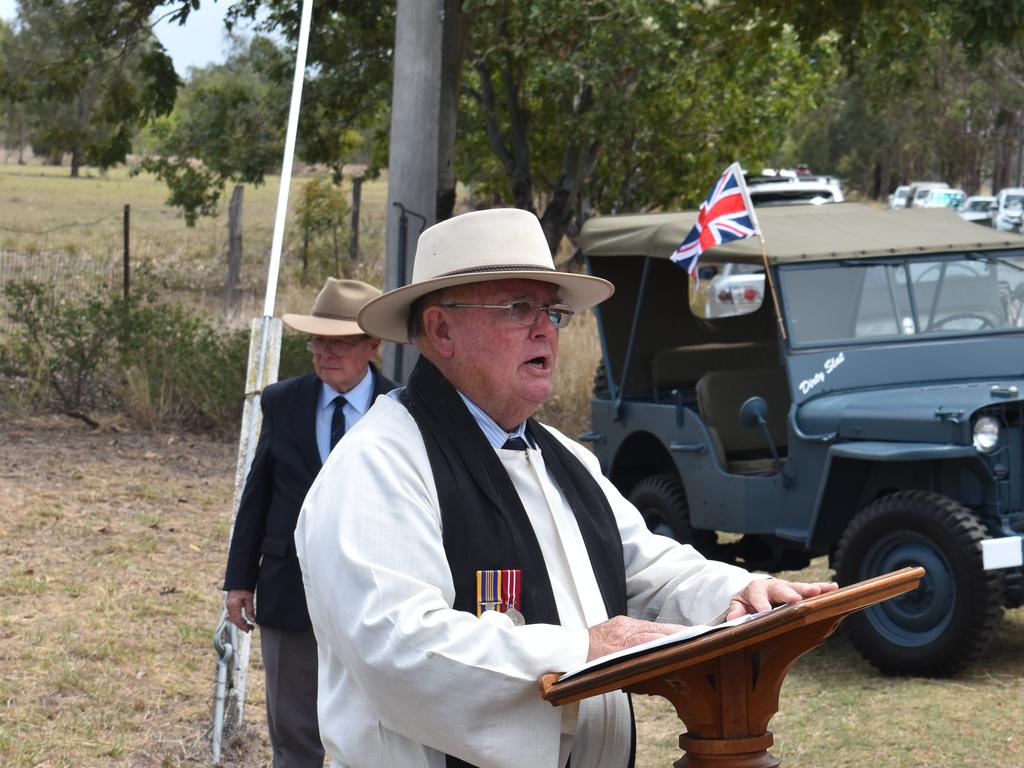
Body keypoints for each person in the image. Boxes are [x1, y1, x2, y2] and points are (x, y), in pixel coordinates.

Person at [295, 210, 836, 768]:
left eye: (551, 311)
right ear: (441, 330)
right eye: (518, 308)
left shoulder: (562, 457)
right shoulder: (377, 465)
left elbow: (649, 568)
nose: (544, 329)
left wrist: (744, 593)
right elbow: (399, 647)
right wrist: (585, 650)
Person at [223, 277, 396, 767]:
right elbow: (257, 495)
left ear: (372, 345)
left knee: (370, 730)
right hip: (288, 589)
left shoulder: (400, 409)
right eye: (317, 340)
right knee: (295, 733)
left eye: (339, 342)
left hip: (374, 596)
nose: (324, 352)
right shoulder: (282, 400)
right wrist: (239, 581)